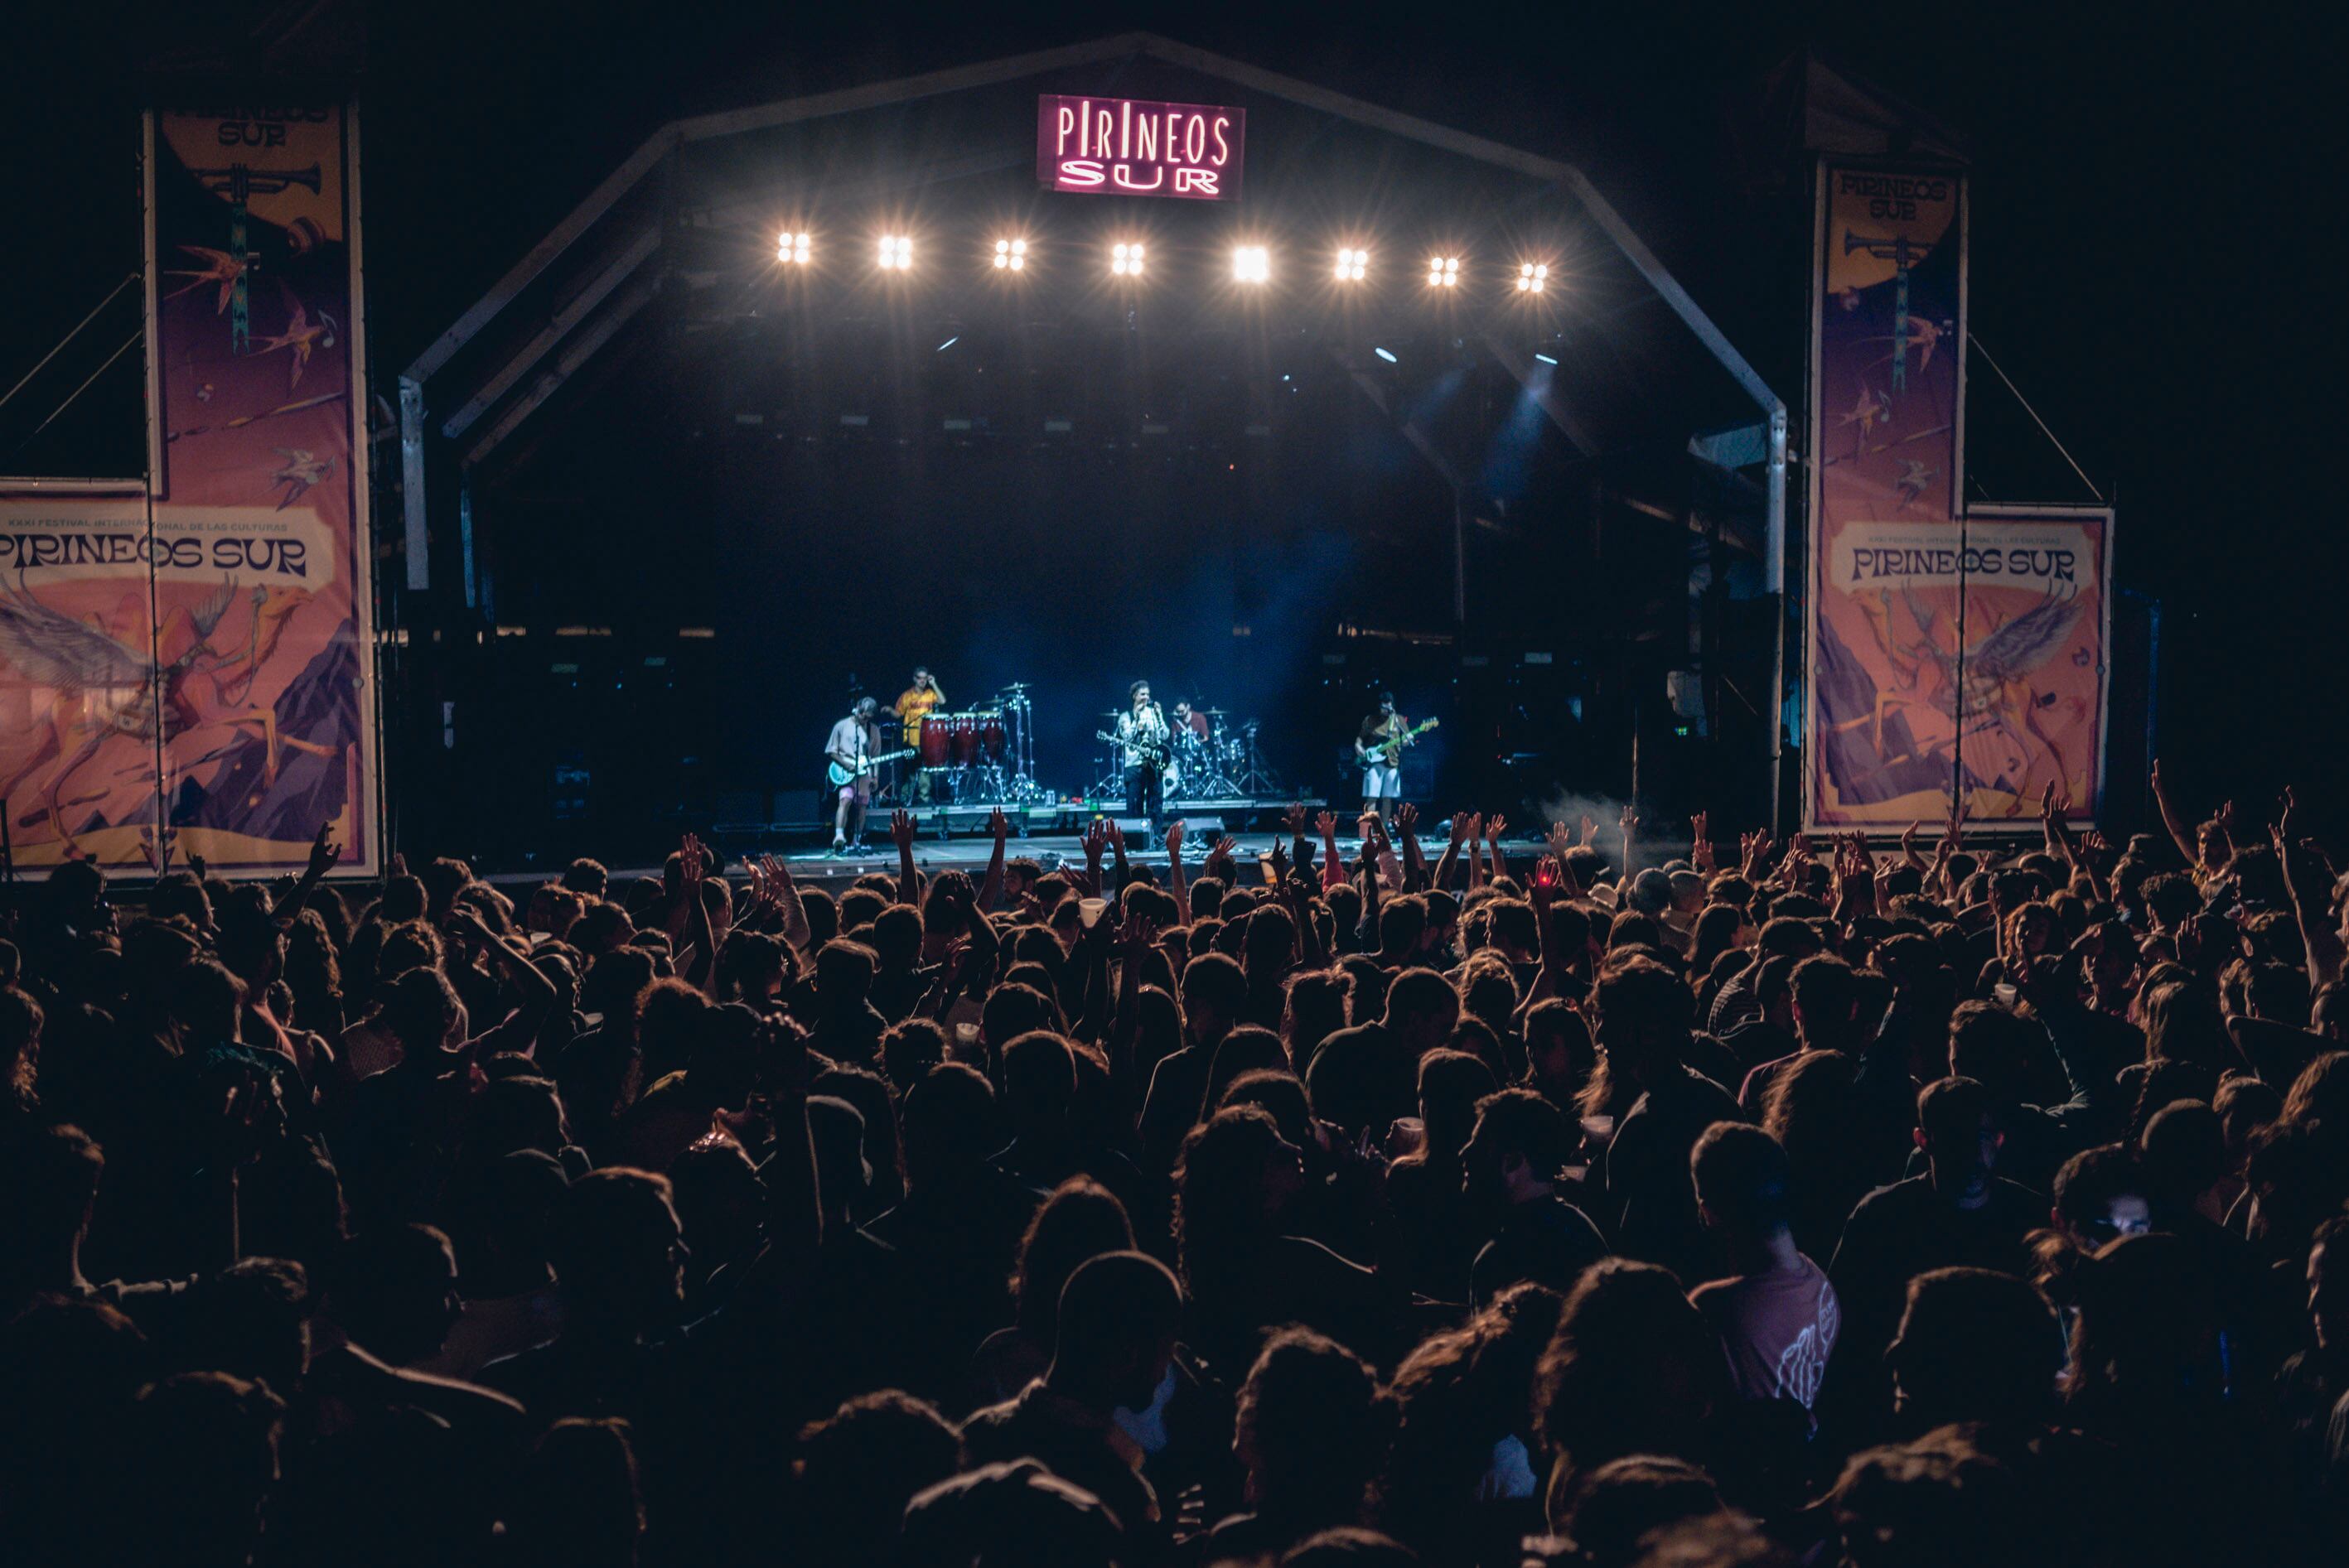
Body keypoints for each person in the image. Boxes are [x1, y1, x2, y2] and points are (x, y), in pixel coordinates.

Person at [825, 696, 887, 855]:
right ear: (858, 708)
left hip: (864, 775)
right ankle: (839, 836)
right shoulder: (842, 726)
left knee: (861, 807)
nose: (863, 718)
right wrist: (846, 764)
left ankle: (856, 840)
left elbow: (874, 757)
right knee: (844, 800)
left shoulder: (873, 730)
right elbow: (831, 751)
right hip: (846, 772)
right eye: (862, 714)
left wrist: (875, 777)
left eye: (867, 717)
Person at [1114, 681, 1171, 830]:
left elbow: (1165, 735)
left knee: (1156, 804)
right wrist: (1136, 720)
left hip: (1153, 766)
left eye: (1148, 694)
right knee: (1134, 805)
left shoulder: (1153, 714)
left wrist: (1159, 716)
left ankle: (1156, 837)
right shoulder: (1125, 717)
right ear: (1134, 696)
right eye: (1142, 694)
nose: (1146, 697)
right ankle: (1135, 839)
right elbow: (1126, 738)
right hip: (1134, 767)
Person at [892, 667, 946, 802]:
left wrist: (933, 684)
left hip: (927, 739)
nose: (923, 681)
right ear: (915, 679)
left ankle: (924, 797)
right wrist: (889, 710)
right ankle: (906, 798)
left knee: (925, 769)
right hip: (911, 739)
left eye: (925, 678)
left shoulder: (930, 693)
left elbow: (942, 701)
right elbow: (898, 713)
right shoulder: (907, 696)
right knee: (909, 770)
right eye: (920, 678)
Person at [1355, 692, 1410, 819]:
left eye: (1388, 708)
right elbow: (1360, 738)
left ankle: (1383, 829)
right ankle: (1369, 828)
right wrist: (1358, 747)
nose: (1386, 711)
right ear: (1379, 706)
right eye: (1384, 708)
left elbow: (1406, 741)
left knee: (1387, 798)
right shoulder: (1370, 720)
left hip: (1392, 763)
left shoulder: (1398, 720)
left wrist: (1408, 739)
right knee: (1372, 796)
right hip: (1374, 763)